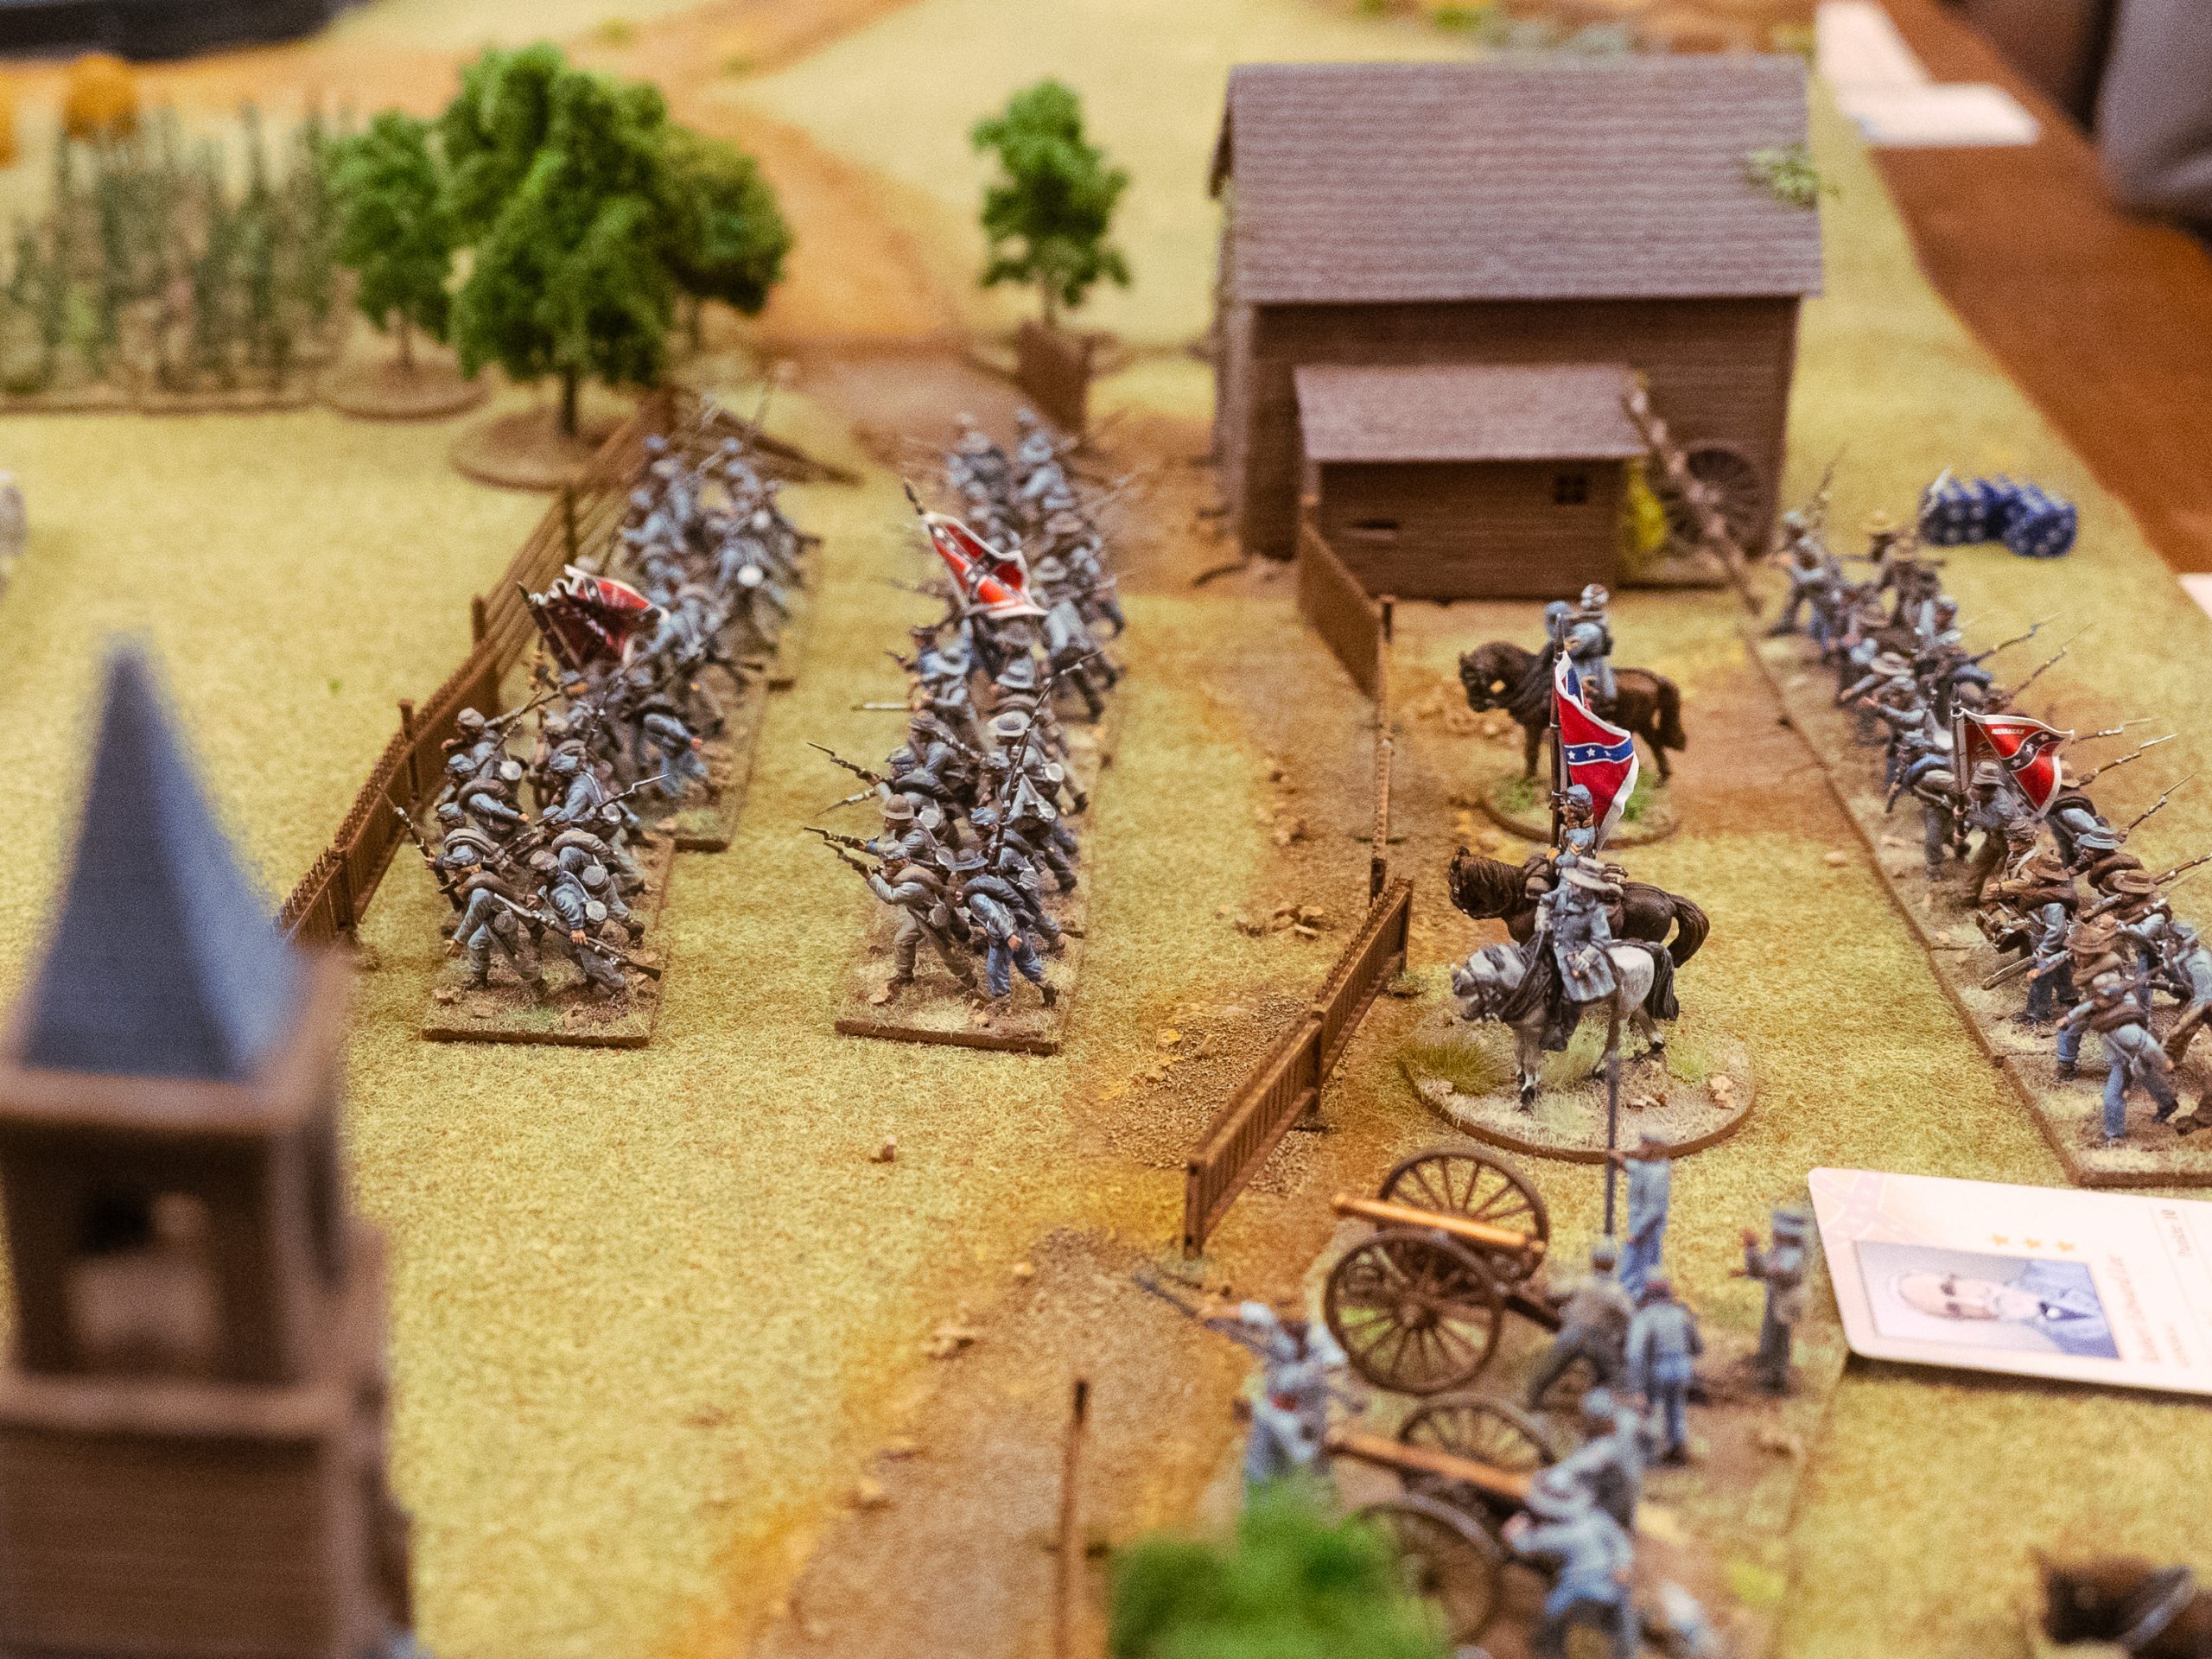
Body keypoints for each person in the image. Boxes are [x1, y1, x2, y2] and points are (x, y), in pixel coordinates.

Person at [1502, 1470, 1637, 1659]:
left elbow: (1525, 1544)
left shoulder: (1558, 1534)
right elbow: (1619, 1539)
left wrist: (1513, 1530)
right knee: (1614, 1617)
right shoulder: (1594, 1517)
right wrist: (1622, 1563)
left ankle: (1547, 1646)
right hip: (1604, 1581)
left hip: (1582, 1582)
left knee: (1555, 1609)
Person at [1890, 1259, 2118, 1359]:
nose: (1971, 1301)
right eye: (1954, 1309)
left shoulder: (2057, 1263)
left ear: (1960, 1278)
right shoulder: (2078, 1354)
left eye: (1950, 1289)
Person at [1236, 1302, 1348, 1493]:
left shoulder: (1319, 1338)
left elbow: (1336, 1372)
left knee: (1310, 1465)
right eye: (1287, 1320)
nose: (1292, 1324)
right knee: (1266, 1465)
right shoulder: (1275, 1333)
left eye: (1297, 1317)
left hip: (1308, 1417)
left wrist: (1335, 1423)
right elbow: (1256, 1314)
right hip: (1280, 1414)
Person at [1525, 1238, 1635, 1408]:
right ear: (1613, 1264)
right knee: (1615, 1374)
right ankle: (1605, 1406)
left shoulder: (1582, 1283)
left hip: (1572, 1334)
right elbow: (1631, 1317)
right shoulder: (1616, 1293)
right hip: (1599, 1341)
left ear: (1593, 1261)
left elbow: (1555, 1296)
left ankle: (1533, 1401)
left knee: (1551, 1368)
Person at [1625, 1274, 1702, 1464]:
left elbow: (1635, 1354)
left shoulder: (1644, 1317)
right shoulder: (1681, 1314)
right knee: (1676, 1406)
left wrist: (1637, 1387)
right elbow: (1698, 1348)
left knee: (1650, 1409)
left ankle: (1650, 1454)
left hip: (1658, 1368)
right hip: (1682, 1368)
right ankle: (1678, 1448)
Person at [1739, 1208, 1811, 1394]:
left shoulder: (1795, 1254)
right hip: (1777, 1298)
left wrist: (1753, 1251)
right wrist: (1751, 1252)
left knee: (1780, 1337)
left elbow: (1773, 1272)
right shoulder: (1780, 1251)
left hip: (1787, 1302)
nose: (1774, 1234)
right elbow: (1759, 1270)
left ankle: (1777, 1377)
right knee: (1771, 1332)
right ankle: (1767, 1363)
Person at [1611, 1133, 1673, 1300]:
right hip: (1639, 1224)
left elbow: (1655, 1209)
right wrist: (1622, 1162)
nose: (1640, 1148)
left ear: (1654, 1148)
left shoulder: (1659, 1174)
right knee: (1642, 1261)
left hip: (1646, 1228)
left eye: (1644, 1145)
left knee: (1638, 1262)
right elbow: (1640, 1171)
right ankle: (1638, 1292)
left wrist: (1637, 1231)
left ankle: (1634, 1296)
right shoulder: (1650, 1167)